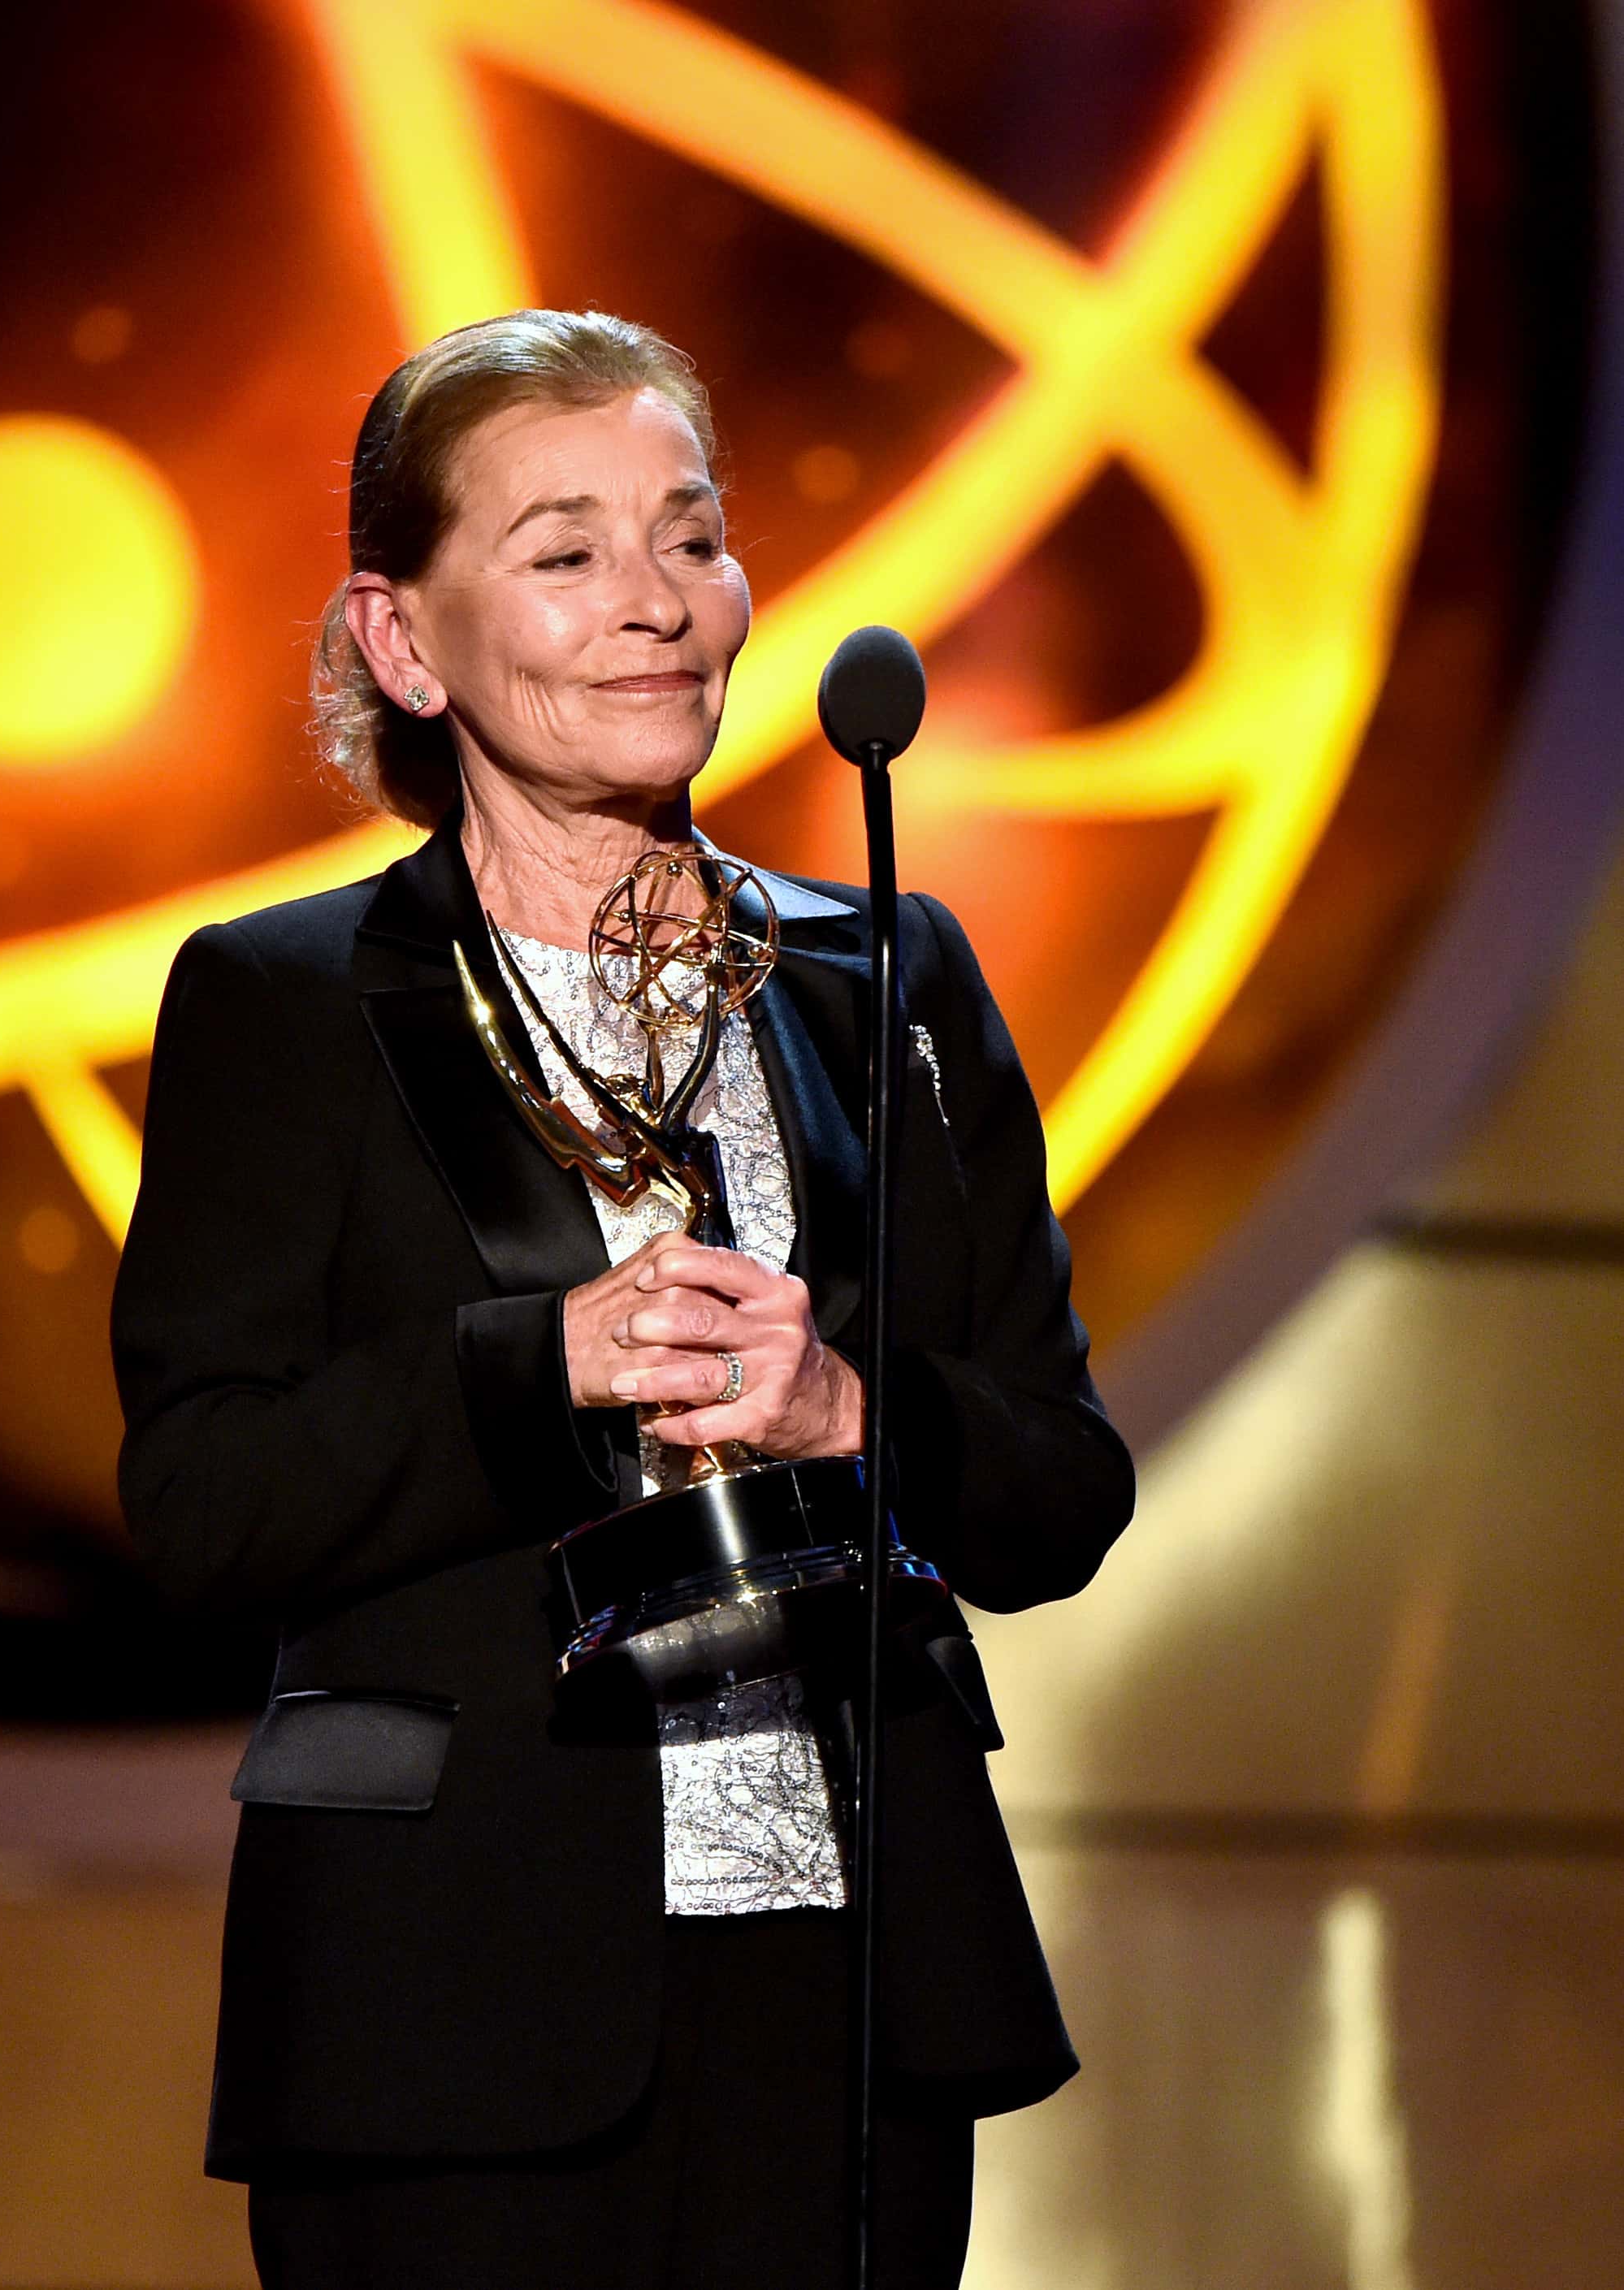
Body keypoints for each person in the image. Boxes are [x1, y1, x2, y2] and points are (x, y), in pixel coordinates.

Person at [110, 308, 1135, 2290]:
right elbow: (202, 1501)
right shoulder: (283, 1003)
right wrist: (541, 1366)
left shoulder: (887, 978)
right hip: (450, 1991)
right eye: (565, 552)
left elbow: (1059, 1488)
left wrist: (853, 1411)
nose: (657, 603)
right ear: (404, 640)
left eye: (691, 535)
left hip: (846, 1990)